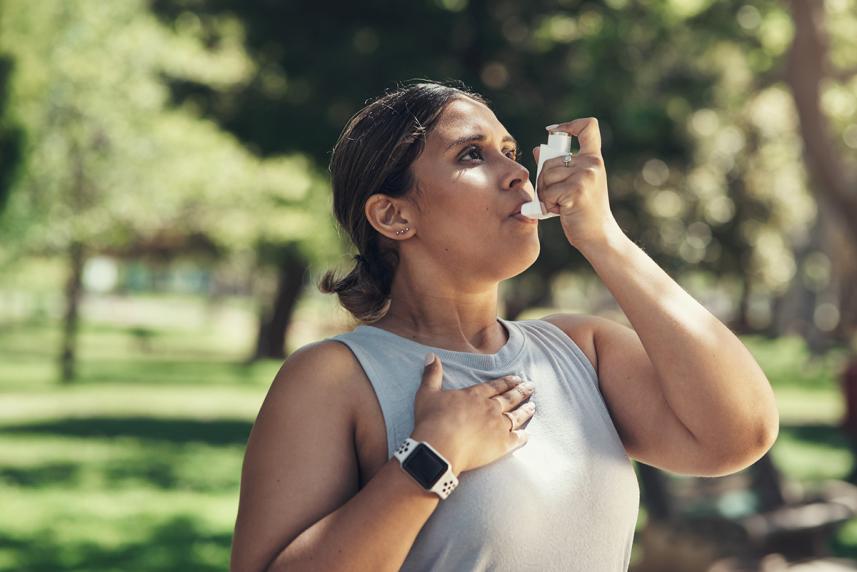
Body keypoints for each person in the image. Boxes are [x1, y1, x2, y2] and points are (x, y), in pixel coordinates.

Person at [229, 79, 780, 572]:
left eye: (512, 152)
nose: (519, 173)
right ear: (394, 215)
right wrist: (432, 456)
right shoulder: (332, 379)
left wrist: (602, 237)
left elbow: (739, 435)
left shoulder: (581, 349)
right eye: (473, 155)